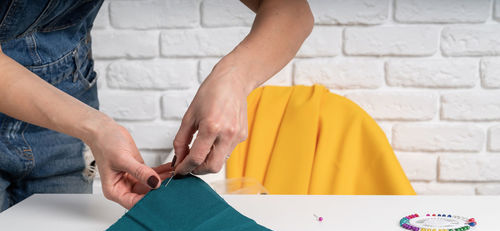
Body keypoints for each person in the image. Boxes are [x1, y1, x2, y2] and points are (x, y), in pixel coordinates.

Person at [0, 0, 314, 212]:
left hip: (65, 119)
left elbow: (293, 12)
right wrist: (96, 128)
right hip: (75, 119)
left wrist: (234, 78)